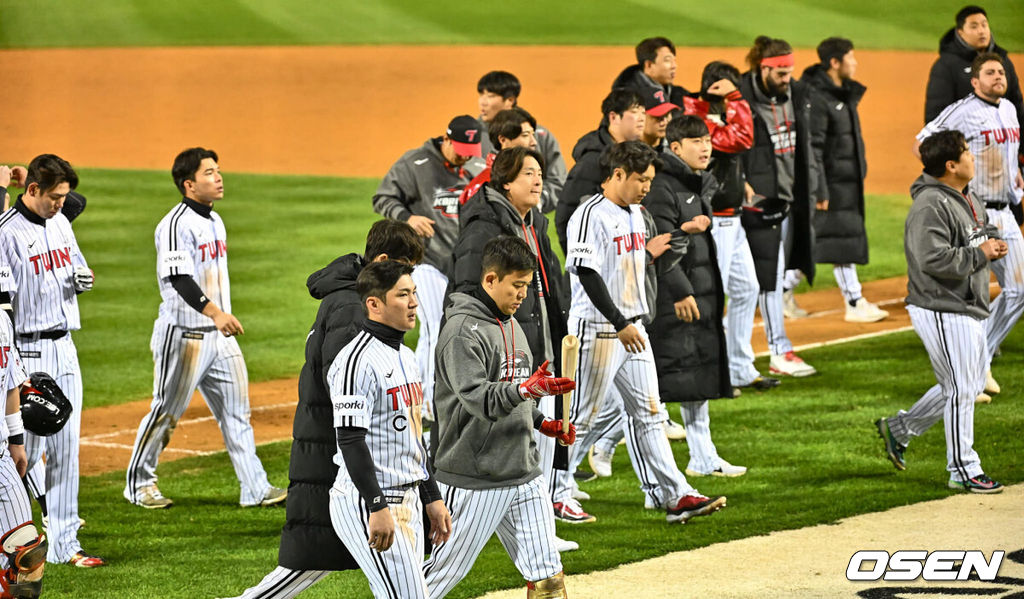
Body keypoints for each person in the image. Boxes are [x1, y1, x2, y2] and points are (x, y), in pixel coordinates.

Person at [223, 220, 425, 599]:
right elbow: (348, 397)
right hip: (340, 461)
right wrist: (375, 495)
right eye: (406, 268)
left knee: (313, 561)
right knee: (318, 558)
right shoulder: (354, 311)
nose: (411, 283)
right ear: (382, 261)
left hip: (336, 456)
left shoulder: (348, 300)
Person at [554, 141, 726, 523]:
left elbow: (629, 265)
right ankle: (556, 492)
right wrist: (619, 322)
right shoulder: (589, 214)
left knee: (650, 413)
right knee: (580, 415)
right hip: (599, 329)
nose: (647, 186)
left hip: (633, 327)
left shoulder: (636, 213)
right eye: (640, 179)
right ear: (617, 175)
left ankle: (675, 496)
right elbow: (585, 272)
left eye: (649, 179)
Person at [124, 148, 285, 511]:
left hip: (218, 337)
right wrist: (215, 313)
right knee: (166, 412)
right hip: (185, 335)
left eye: (218, 170)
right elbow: (179, 277)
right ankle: (139, 484)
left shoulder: (215, 220)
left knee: (237, 413)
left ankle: (255, 488)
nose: (218, 177)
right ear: (189, 184)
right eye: (209, 173)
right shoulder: (175, 225)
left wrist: (217, 319)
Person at [424, 236, 577, 598]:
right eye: (517, 285)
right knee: (435, 580)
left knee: (548, 577)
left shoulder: (510, 322)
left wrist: (542, 423)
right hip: (474, 477)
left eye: (527, 285)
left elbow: (515, 393)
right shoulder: (461, 333)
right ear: (491, 280)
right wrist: (528, 391)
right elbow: (479, 398)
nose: (523, 294)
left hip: (523, 472)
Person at [448, 147, 577, 551]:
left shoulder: (533, 221)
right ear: (505, 181)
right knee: (445, 568)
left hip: (531, 340)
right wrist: (499, 337)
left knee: (545, 570)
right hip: (504, 350)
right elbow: (470, 290)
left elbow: (548, 283)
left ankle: (544, 525)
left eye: (541, 173)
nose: (539, 180)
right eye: (529, 174)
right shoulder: (484, 225)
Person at [874, 130, 1006, 494]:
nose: (973, 157)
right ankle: (963, 468)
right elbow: (932, 259)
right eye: (967, 153)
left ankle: (899, 429)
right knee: (963, 388)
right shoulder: (930, 205)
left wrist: (992, 240)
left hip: (967, 304)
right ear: (951, 165)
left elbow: (981, 229)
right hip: (942, 306)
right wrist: (983, 254)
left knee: (967, 383)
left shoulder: (966, 196)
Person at [326, 260, 451, 599]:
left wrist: (431, 496)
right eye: (403, 295)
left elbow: (413, 437)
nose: (413, 303)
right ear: (374, 304)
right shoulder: (356, 362)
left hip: (406, 498)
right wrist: (376, 505)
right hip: (368, 500)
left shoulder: (407, 357)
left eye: (414, 293)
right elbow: (350, 439)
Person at [0, 154, 103, 566]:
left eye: (65, 196)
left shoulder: (61, 220)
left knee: (66, 449)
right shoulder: (5, 233)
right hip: (25, 350)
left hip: (65, 347)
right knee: (22, 451)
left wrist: (83, 277)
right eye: (54, 196)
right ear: (31, 191)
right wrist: (16, 368)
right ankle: (17, 535)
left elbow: (76, 260)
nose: (63, 203)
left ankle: (64, 545)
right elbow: (2, 305)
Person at [915, 53, 1023, 402]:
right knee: (968, 298)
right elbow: (924, 141)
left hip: (1004, 214)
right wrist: (948, 187)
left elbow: (1010, 151)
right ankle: (969, 372)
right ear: (975, 82)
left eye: (1002, 72)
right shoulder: (961, 110)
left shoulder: (1008, 108)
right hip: (974, 216)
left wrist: (1014, 174)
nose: (998, 76)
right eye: (990, 72)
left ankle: (980, 360)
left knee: (1019, 290)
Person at [645, 116, 748, 478]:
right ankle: (580, 462)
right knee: (636, 394)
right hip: (675, 298)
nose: (705, 146)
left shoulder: (697, 182)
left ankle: (703, 457)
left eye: (706, 139)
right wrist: (681, 292)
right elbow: (661, 245)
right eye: (695, 141)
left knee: (693, 380)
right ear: (675, 148)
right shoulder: (664, 187)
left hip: (694, 292)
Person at [372, 116, 485, 421]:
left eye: (469, 150)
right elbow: (383, 197)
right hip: (428, 262)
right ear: (446, 139)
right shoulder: (416, 163)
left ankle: (434, 395)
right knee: (436, 327)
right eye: (459, 148)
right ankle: (426, 402)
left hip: (464, 264)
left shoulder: (475, 167)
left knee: (459, 330)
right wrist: (407, 218)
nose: (464, 155)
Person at [682, 61, 778, 393]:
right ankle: (711, 369)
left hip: (733, 219)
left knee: (746, 289)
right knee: (712, 296)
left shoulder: (719, 115)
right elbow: (741, 138)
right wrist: (736, 99)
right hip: (715, 221)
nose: (735, 95)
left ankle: (738, 366)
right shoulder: (697, 117)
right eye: (730, 88)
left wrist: (744, 184)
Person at [740, 35, 820, 377]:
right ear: (764, 68)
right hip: (757, 206)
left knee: (761, 279)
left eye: (790, 71)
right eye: (781, 72)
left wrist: (817, 187)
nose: (788, 79)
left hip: (790, 201)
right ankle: (779, 351)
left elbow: (808, 147)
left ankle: (741, 352)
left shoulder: (797, 95)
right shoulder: (741, 98)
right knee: (767, 278)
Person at [802, 37, 889, 323]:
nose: (855, 63)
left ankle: (782, 292)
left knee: (825, 243)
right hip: (831, 185)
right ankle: (854, 301)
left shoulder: (841, 94)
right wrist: (819, 187)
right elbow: (812, 147)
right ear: (835, 62)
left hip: (845, 182)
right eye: (850, 57)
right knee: (839, 243)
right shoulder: (819, 97)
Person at [556, 89, 645, 254]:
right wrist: (583, 266)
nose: (642, 118)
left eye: (643, 112)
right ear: (613, 117)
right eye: (634, 112)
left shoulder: (634, 157)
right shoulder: (592, 161)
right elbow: (567, 215)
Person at [0, 290, 47, 597]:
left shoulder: (3, 321)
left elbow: (10, 385)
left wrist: (17, 442)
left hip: (2, 457)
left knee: (27, 561)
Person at [475, 71, 567, 214]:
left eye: (491, 96)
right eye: (481, 95)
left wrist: (534, 203)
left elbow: (558, 181)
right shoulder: (472, 136)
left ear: (510, 101)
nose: (482, 101)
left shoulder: (540, 136)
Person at [924, 6, 1023, 128]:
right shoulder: (946, 65)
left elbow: (1017, 106)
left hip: (1003, 140)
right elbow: (936, 116)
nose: (981, 31)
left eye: (984, 25)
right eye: (974, 26)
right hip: (966, 142)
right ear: (960, 32)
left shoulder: (1003, 61)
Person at [458, 107, 551, 208]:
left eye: (533, 134)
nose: (534, 142)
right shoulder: (485, 185)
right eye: (525, 135)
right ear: (502, 140)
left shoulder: (521, 176)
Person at [611, 36, 689, 107]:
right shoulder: (625, 98)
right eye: (667, 60)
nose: (674, 66)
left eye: (674, 60)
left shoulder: (676, 92)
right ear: (649, 65)